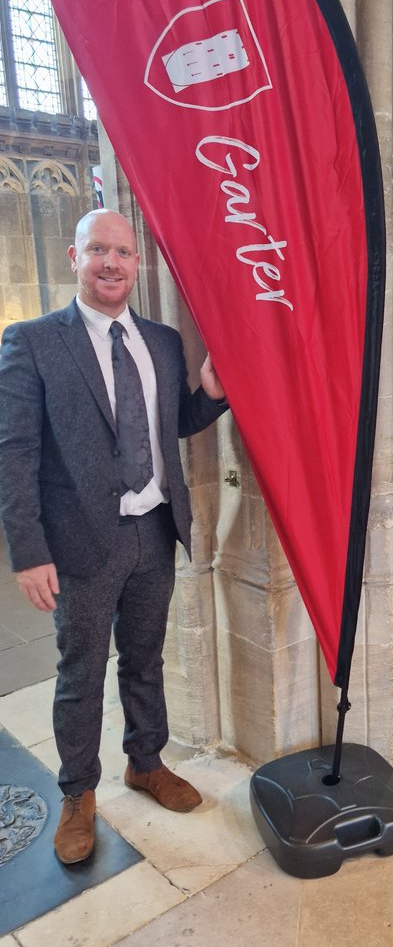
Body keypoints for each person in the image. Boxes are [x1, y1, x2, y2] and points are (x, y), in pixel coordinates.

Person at [0, 209, 228, 862]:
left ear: (136, 263)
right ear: (75, 257)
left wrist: (209, 393)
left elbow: (171, 422)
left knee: (145, 656)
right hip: (79, 543)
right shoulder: (35, 341)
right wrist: (31, 549)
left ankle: (145, 761)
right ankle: (77, 794)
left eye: (123, 252)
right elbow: (13, 453)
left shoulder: (158, 340)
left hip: (154, 530)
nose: (111, 263)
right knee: (80, 672)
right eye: (97, 249)